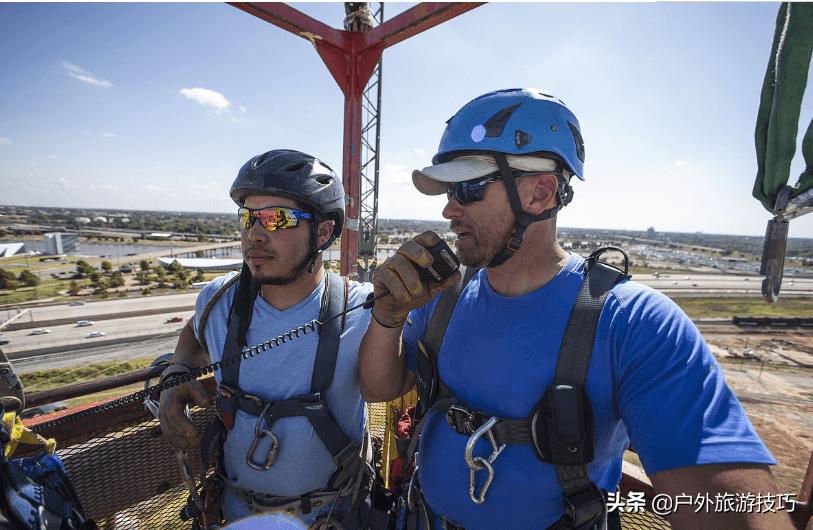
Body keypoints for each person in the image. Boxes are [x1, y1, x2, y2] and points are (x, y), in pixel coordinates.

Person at [358, 88, 793, 530]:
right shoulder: (444, 296)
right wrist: (388, 317)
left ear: (540, 193)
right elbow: (378, 388)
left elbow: (734, 512)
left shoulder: (634, 323)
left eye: (466, 188)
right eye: (448, 191)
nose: (448, 209)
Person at [159, 149, 373, 528]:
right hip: (235, 514)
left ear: (323, 232)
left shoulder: (362, 309)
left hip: (331, 517)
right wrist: (176, 372)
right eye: (248, 218)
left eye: (277, 218)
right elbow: (194, 331)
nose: (254, 235)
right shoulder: (219, 301)